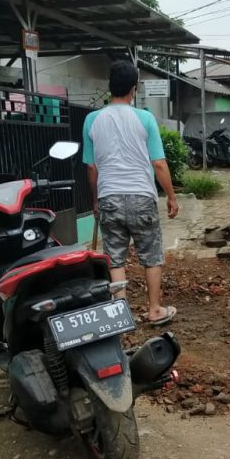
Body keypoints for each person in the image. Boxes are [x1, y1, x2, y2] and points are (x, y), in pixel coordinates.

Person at [83, 60, 179, 327]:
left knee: (115, 257)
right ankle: (155, 309)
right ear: (133, 89)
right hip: (142, 196)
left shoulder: (92, 120)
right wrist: (171, 196)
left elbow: (92, 167)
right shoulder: (145, 118)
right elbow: (158, 163)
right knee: (151, 255)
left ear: (109, 87)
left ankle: (120, 315)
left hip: (109, 197)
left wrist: (95, 199)